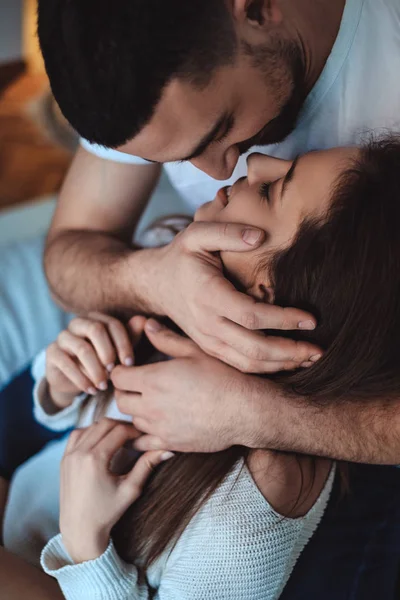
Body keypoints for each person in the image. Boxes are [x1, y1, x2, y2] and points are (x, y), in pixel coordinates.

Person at [5, 140, 400, 598]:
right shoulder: (171, 270)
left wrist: (86, 549)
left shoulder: (261, 492)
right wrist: (59, 384)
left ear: (265, 294)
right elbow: (63, 420)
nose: (255, 164)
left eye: (272, 191)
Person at [35, 0, 400, 464]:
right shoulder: (135, 72)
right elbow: (69, 250)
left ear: (258, 9)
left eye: (219, 131)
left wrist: (257, 415)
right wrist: (153, 282)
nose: (220, 174)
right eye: (169, 161)